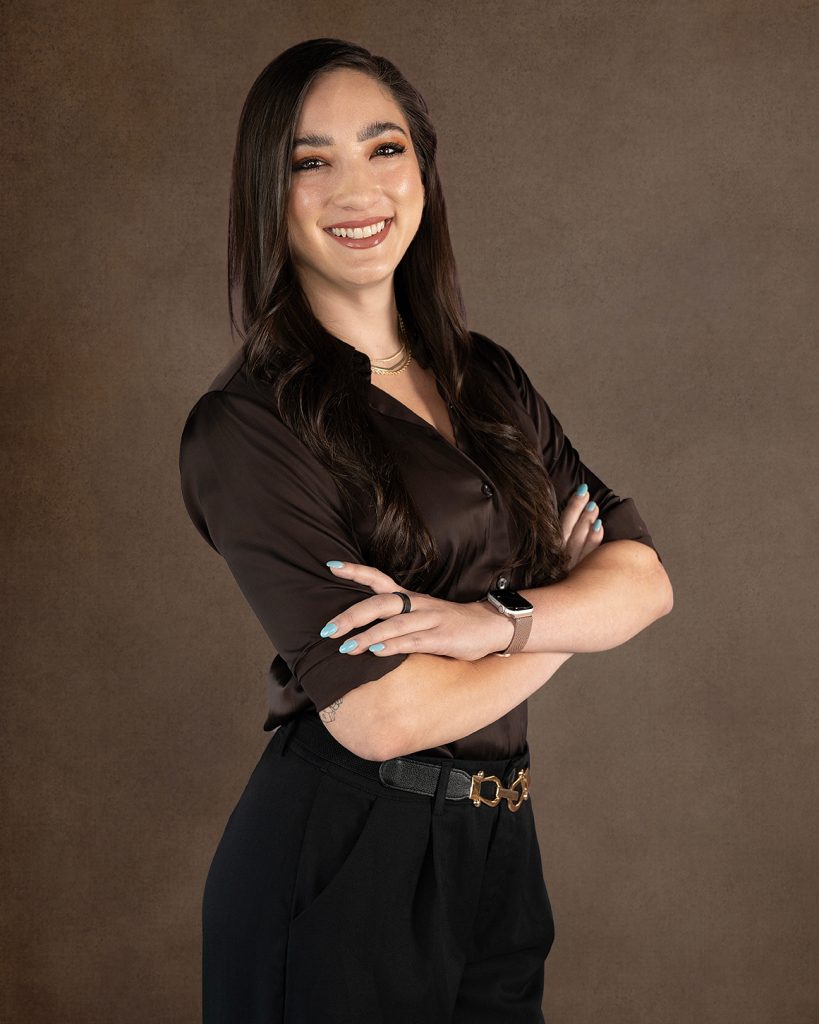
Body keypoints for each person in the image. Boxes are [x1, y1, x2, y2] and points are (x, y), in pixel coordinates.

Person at [178, 37, 673, 1024]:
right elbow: (382, 716)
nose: (357, 189)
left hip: (499, 848)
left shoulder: (487, 378)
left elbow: (646, 582)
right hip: (340, 863)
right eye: (311, 161)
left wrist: (489, 623)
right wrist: (563, 621)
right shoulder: (247, 427)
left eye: (384, 148)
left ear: (423, 169)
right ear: (268, 191)